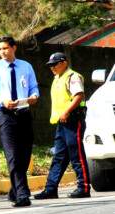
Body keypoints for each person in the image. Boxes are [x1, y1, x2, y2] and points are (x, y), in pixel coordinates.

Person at [0, 36, 39, 207]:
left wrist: (34, 96)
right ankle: (23, 194)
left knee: (24, 154)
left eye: (6, 48)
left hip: (24, 114)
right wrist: (3, 101)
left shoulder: (26, 66)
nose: (2, 52)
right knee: (13, 156)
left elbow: (33, 87)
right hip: (6, 115)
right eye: (0, 49)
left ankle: (14, 190)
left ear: (14, 48)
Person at [34, 52, 90, 199]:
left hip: (72, 119)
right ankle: (50, 189)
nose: (52, 67)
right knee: (59, 156)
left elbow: (79, 96)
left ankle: (84, 187)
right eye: (50, 65)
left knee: (76, 153)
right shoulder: (57, 78)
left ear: (64, 62)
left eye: (55, 64)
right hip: (62, 122)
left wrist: (66, 112)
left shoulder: (72, 76)